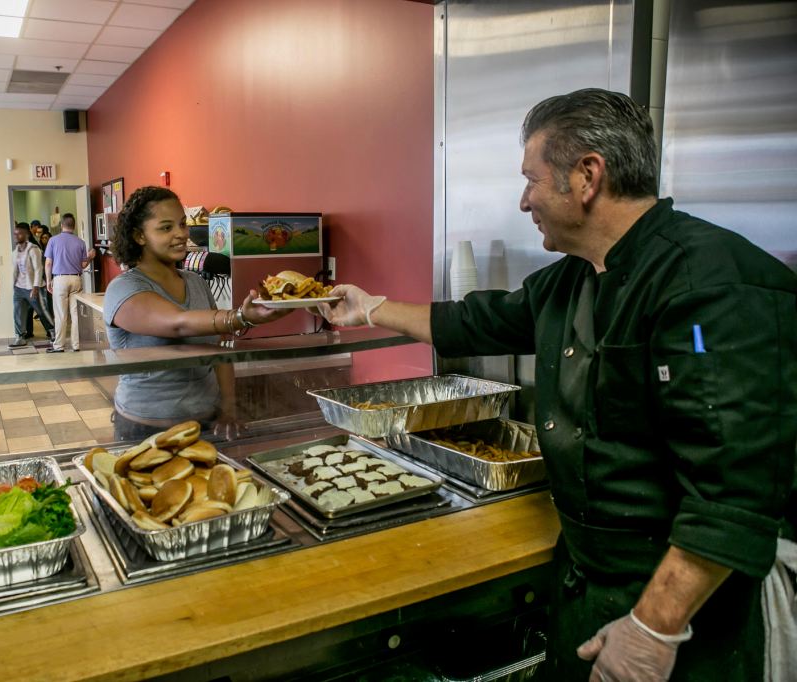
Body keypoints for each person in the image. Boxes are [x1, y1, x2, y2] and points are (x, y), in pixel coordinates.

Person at [318, 89, 797, 681]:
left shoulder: (711, 288)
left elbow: (732, 497)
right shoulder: (573, 280)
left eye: (532, 180)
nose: (524, 202)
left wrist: (653, 629)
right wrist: (371, 309)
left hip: (682, 615)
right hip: (586, 582)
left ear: (587, 175)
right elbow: (474, 320)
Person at [103, 186, 292, 442]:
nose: (181, 234)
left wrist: (228, 408)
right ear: (139, 236)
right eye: (166, 228)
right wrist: (240, 317)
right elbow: (177, 323)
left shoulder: (195, 282)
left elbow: (219, 350)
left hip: (205, 424)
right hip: (146, 431)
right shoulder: (124, 288)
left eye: (182, 224)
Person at [44, 213, 94, 352]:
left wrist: (48, 281)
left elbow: (48, 264)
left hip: (60, 279)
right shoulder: (80, 242)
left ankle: (59, 346)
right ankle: (76, 345)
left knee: (61, 314)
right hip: (76, 279)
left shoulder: (53, 240)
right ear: (74, 226)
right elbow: (84, 265)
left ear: (61, 225)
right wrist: (90, 257)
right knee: (76, 314)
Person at [8, 222, 54, 348]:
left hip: (34, 287)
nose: (17, 236)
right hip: (19, 288)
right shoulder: (15, 251)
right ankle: (19, 337)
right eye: (16, 234)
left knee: (42, 310)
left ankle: (53, 331)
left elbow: (39, 269)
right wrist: (13, 285)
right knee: (18, 311)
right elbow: (15, 269)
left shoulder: (34, 249)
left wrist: (35, 287)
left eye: (20, 234)